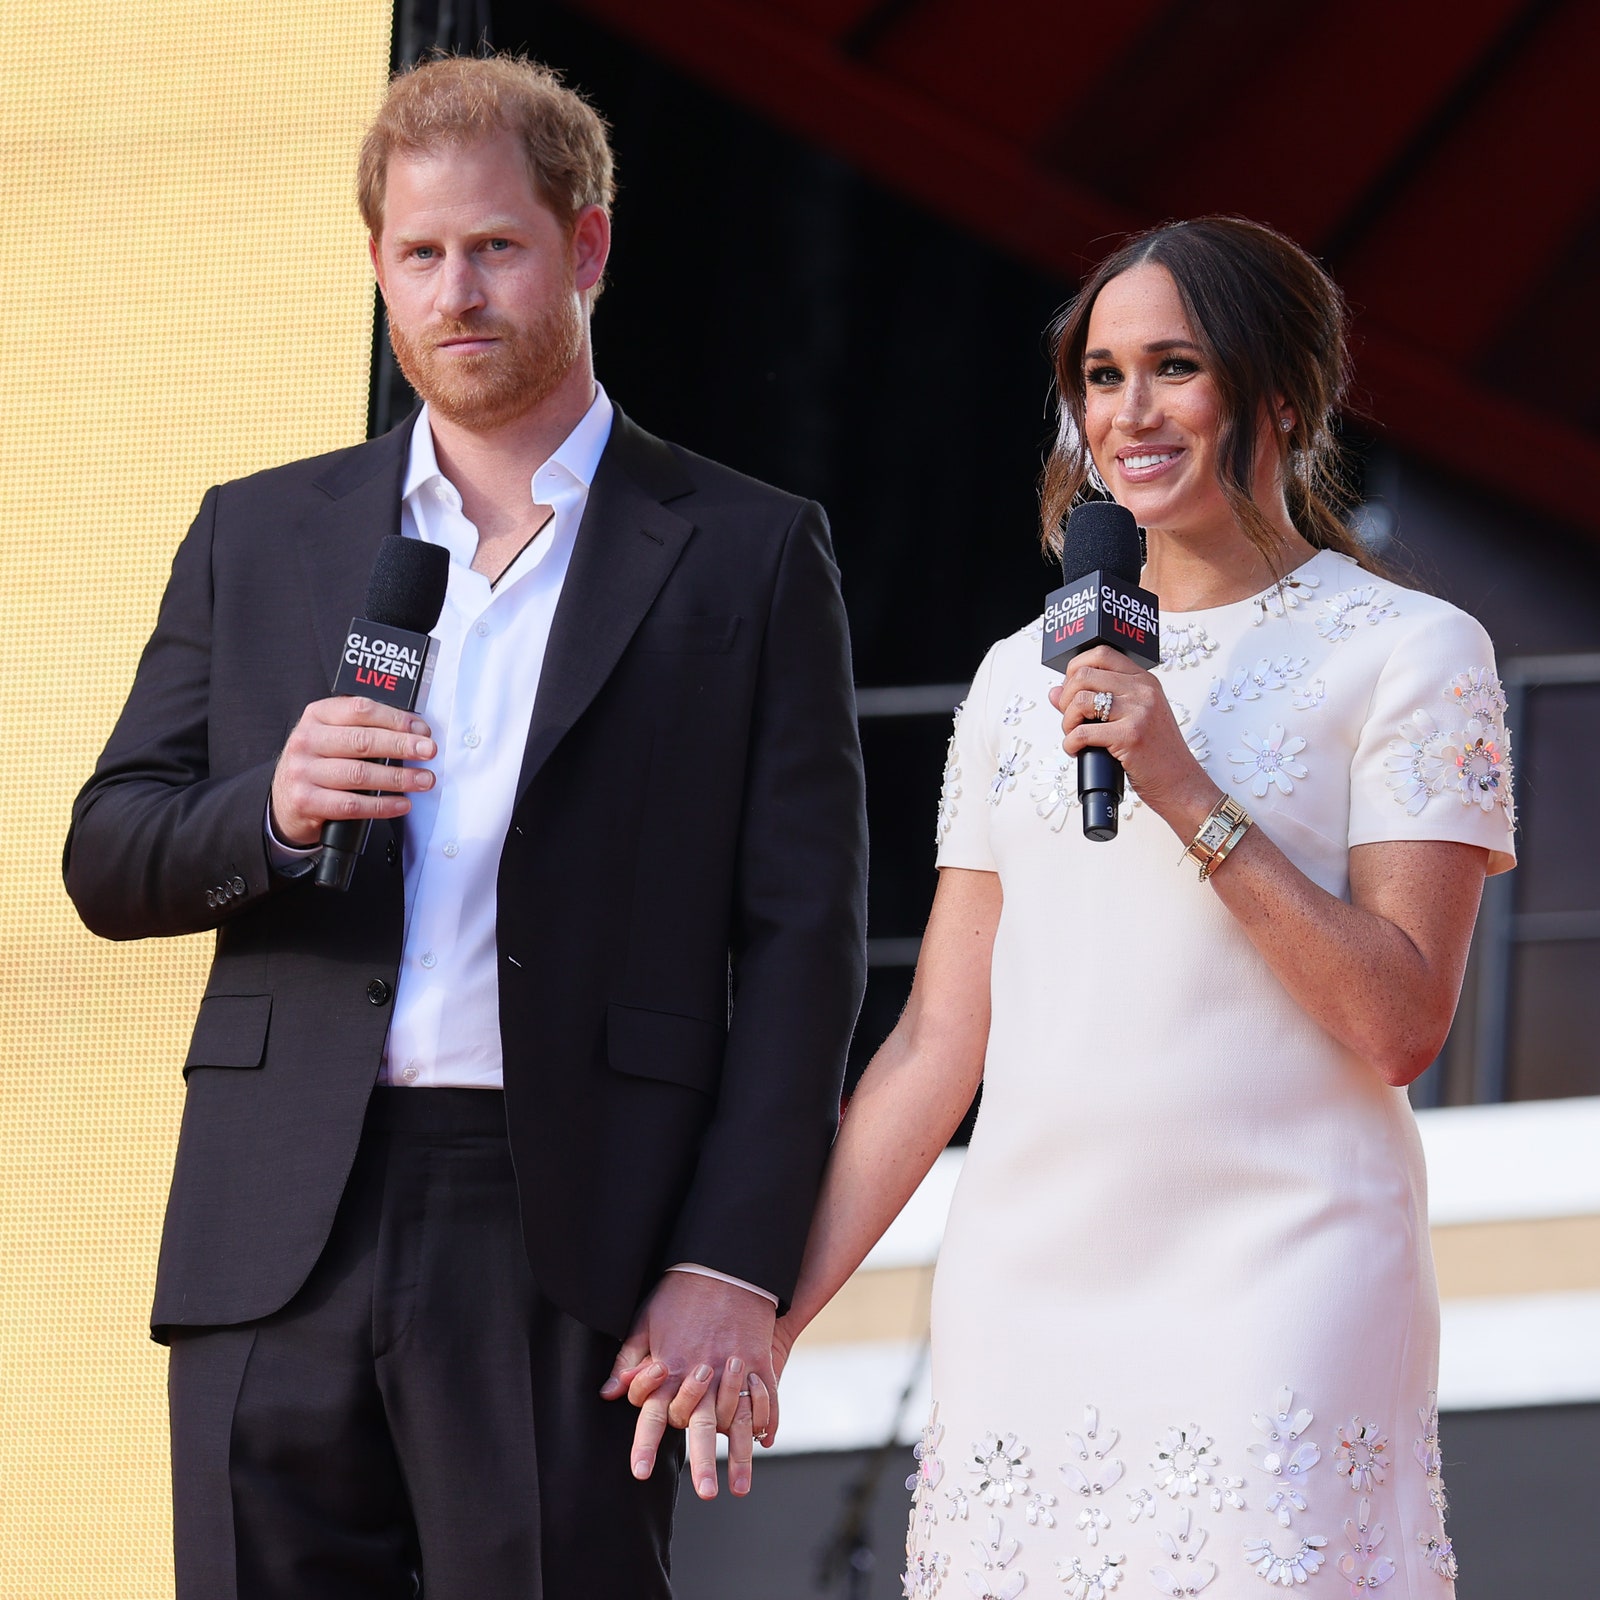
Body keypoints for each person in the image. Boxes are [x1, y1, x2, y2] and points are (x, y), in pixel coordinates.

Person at [63, 53, 866, 1600]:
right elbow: (111, 848)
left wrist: (732, 1260)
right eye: (419, 255)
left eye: (495, 246)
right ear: (376, 267)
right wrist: (276, 809)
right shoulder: (262, 528)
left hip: (562, 1219)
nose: (457, 290)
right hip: (271, 1225)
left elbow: (803, 947)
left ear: (588, 246)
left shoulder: (747, 555)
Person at [747, 218, 1513, 1598]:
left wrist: (1184, 788)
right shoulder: (1010, 682)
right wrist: (768, 1313)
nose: (1130, 411)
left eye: (1175, 366)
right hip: (1029, 1291)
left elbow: (1400, 1019)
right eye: (1101, 375)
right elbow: (935, 1046)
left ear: (1284, 394)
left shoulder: (1410, 652)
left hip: (1285, 1275)